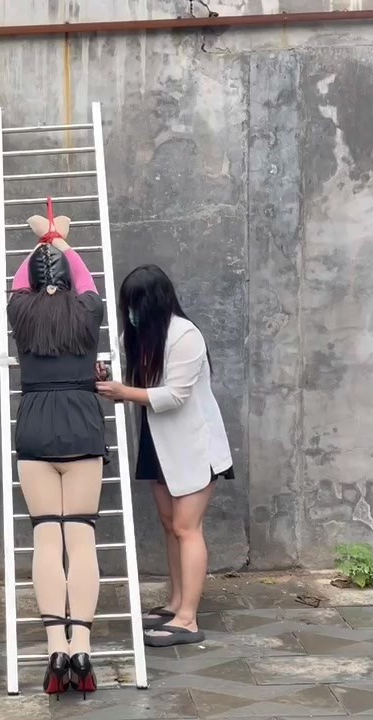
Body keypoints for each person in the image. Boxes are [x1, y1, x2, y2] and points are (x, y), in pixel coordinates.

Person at [96, 264, 233, 648]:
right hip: (159, 443)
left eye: (136, 304)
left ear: (154, 302)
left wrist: (123, 392)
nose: (131, 312)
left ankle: (188, 619)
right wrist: (108, 377)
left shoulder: (185, 336)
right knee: (171, 524)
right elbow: (133, 378)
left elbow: (175, 395)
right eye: (128, 305)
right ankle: (175, 603)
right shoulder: (139, 334)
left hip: (194, 447)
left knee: (188, 528)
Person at [7, 210, 105, 697]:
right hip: (82, 422)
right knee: (81, 539)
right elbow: (84, 278)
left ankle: (54, 651)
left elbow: (19, 281)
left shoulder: (20, 313)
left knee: (46, 537)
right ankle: (81, 648)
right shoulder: (88, 310)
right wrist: (60, 239)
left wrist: (39, 240)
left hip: (35, 425)